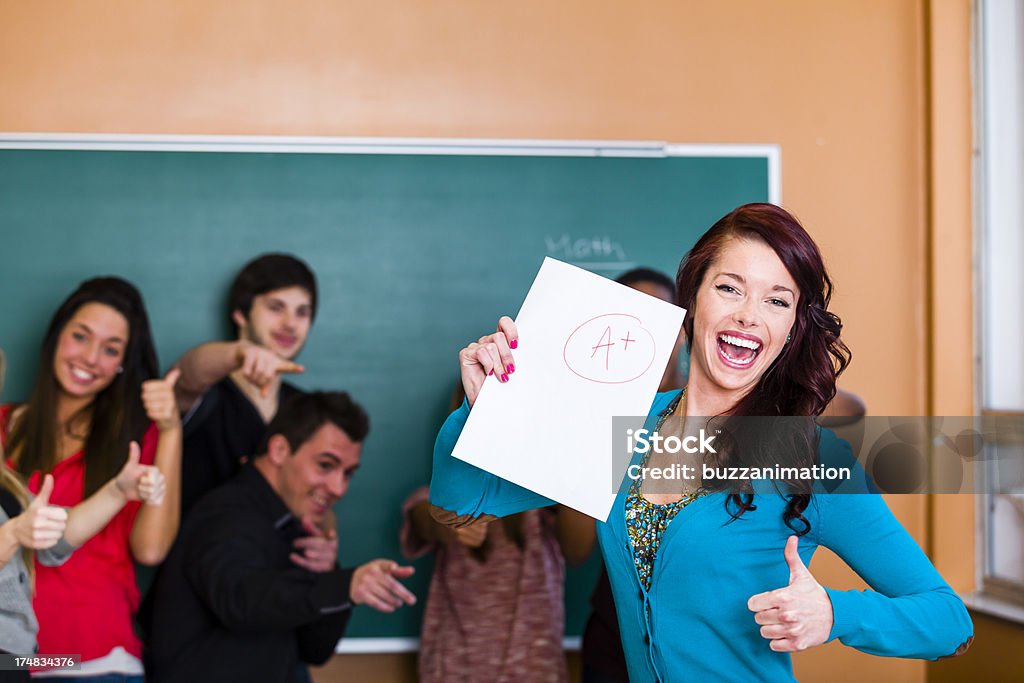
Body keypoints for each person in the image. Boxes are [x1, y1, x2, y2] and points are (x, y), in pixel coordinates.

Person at [429, 203, 973, 682]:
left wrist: (834, 614)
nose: (748, 314)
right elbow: (460, 506)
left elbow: (949, 622)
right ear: (692, 300)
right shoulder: (615, 425)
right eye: (729, 287)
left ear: (792, 330)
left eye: (777, 301)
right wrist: (476, 411)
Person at [578, 266, 870, 683]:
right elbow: (572, 545)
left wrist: (779, 388)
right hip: (614, 638)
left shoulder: (744, 415)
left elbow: (850, 408)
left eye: (661, 317)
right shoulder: (612, 423)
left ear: (686, 323)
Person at [145, 391, 417, 683]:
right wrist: (343, 585)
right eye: (325, 465)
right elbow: (242, 601)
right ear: (279, 450)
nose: (338, 488)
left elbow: (315, 650)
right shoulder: (226, 514)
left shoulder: (295, 525)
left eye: (348, 473)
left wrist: (329, 574)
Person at [1, 278, 181, 682]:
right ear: (56, 336)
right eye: (80, 337)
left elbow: (151, 549)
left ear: (122, 364)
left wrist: (170, 431)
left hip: (95, 658)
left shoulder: (135, 440)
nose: (90, 358)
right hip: (15, 660)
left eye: (111, 349)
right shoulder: (2, 427)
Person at [401, 387, 592, 683]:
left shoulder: (542, 508)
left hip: (534, 668)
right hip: (456, 667)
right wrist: (449, 525)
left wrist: (573, 455)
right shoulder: (441, 500)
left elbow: (578, 550)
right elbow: (424, 516)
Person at [173, 253, 314, 516]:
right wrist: (240, 353)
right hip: (203, 551)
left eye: (302, 313)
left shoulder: (304, 409)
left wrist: (325, 534)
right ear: (240, 314)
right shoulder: (204, 392)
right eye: (276, 307)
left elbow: (315, 493)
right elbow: (186, 372)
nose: (290, 324)